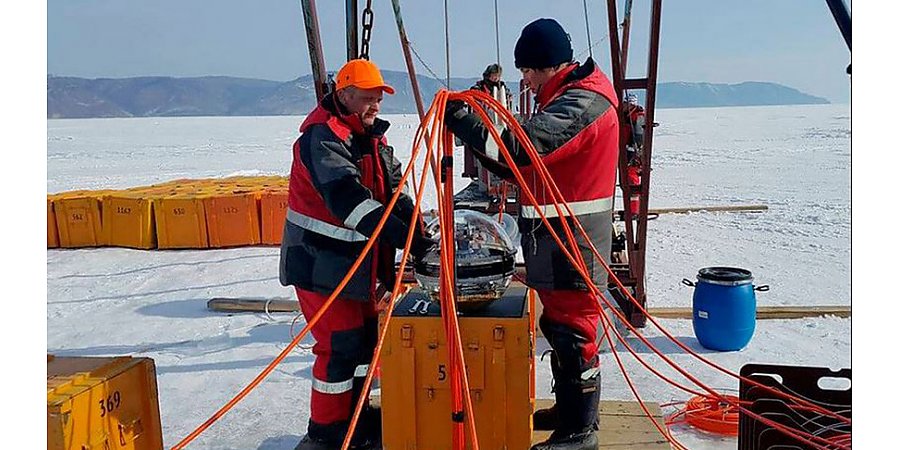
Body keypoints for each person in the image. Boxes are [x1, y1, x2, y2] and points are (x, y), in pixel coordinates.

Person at [445, 18, 619, 450]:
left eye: (526, 70)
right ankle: (570, 412)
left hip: (573, 242)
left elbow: (519, 151)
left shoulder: (582, 102)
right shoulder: (569, 95)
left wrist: (465, 123)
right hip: (556, 237)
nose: (523, 79)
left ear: (545, 66)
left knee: (575, 329)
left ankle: (580, 432)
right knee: (558, 324)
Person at [280, 58, 435, 450]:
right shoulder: (321, 139)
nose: (374, 107)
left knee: (364, 346)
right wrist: (407, 240)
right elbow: (351, 203)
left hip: (358, 270)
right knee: (338, 350)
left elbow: (394, 190)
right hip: (322, 266)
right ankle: (327, 433)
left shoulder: (371, 138)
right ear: (344, 95)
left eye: (378, 99)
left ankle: (359, 420)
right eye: (366, 99)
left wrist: (418, 226)